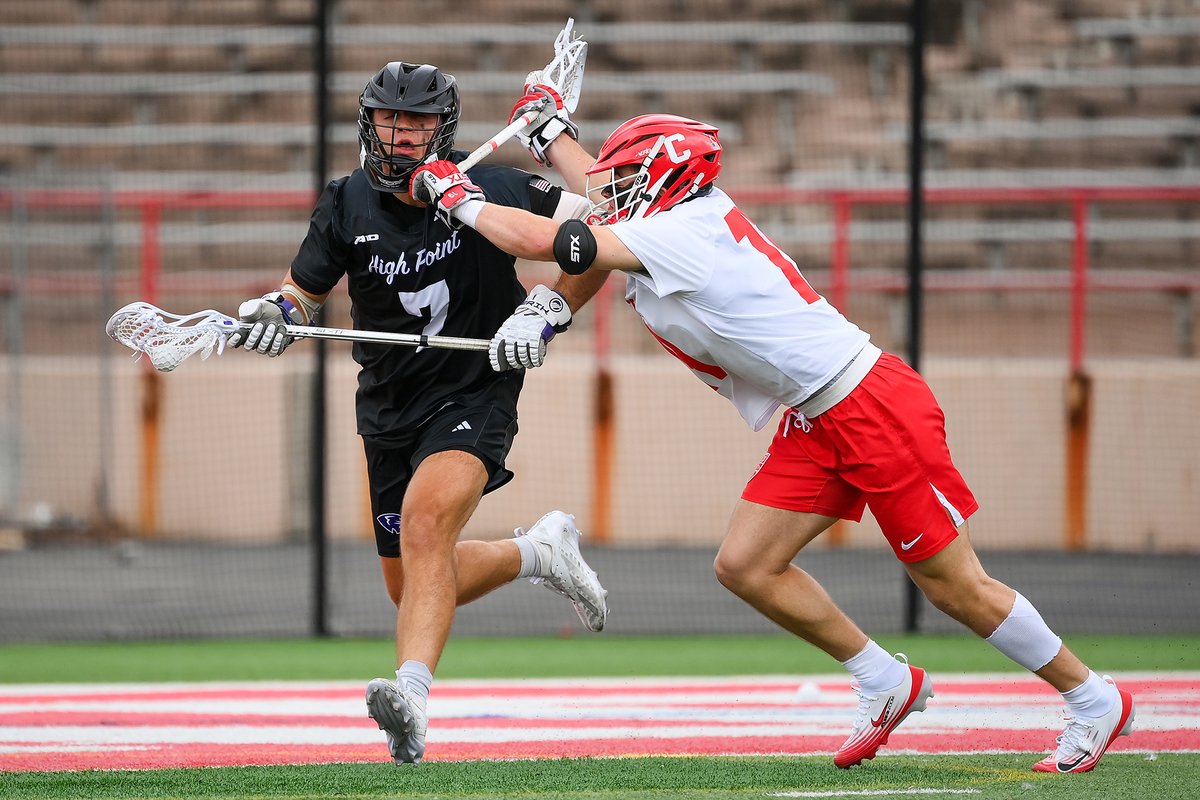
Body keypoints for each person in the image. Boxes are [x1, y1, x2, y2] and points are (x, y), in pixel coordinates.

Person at [408, 93, 1136, 773]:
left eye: (630, 177)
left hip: (870, 406)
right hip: (818, 416)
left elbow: (547, 239)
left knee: (954, 587)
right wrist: (551, 135)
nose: (613, 191)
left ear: (665, 180)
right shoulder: (675, 216)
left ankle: (1092, 698)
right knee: (747, 563)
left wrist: (456, 194)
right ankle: (884, 680)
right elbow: (601, 196)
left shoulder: (681, 234)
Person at [226, 62, 609, 765]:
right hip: (388, 406)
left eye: (417, 123)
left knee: (428, 526)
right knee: (410, 582)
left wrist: (549, 308)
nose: (400, 136)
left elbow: (607, 223)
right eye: (389, 120)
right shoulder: (346, 203)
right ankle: (539, 553)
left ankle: (412, 700)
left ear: (445, 128)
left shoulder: (489, 184)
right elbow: (301, 293)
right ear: (368, 122)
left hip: (473, 389)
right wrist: (273, 316)